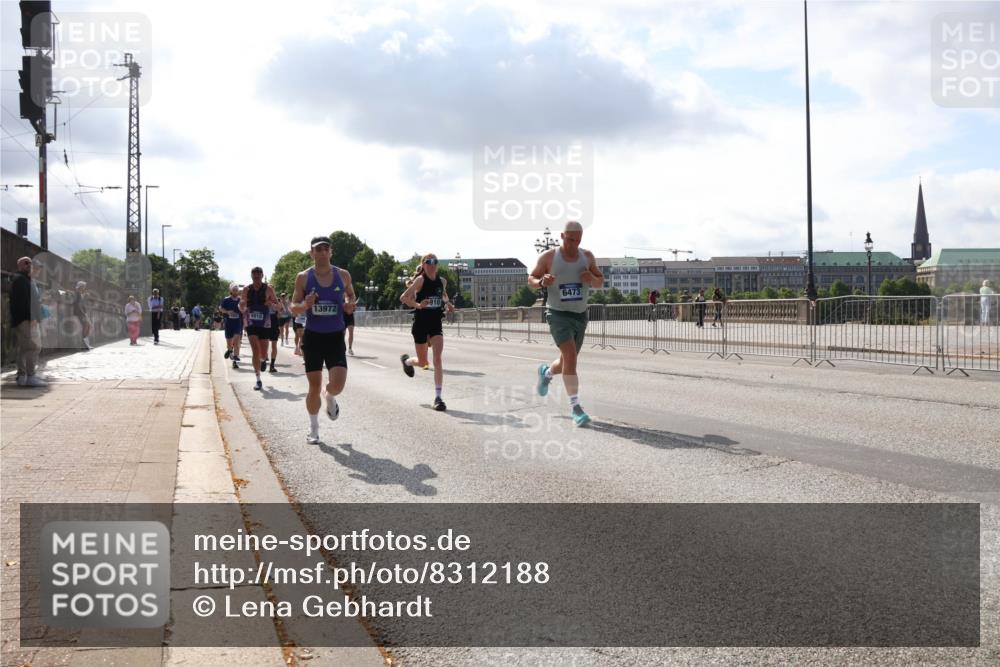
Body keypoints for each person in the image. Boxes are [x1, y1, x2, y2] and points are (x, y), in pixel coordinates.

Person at [529, 221, 603, 426]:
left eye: (577, 241)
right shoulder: (549, 257)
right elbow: (531, 279)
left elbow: (600, 281)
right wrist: (542, 282)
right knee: (570, 355)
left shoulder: (586, 256)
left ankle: (546, 373)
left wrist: (591, 278)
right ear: (562, 236)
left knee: (566, 361)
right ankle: (576, 408)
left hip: (580, 315)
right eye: (569, 240)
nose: (573, 244)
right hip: (557, 313)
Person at [290, 236, 356, 443]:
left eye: (326, 249)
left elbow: (351, 296)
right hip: (314, 338)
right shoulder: (303, 277)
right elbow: (293, 308)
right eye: (318, 249)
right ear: (312, 253)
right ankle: (314, 429)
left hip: (336, 336)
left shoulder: (343, 275)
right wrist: (305, 305)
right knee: (314, 386)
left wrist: (348, 304)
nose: (322, 252)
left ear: (331, 252)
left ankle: (330, 396)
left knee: (338, 385)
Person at [399, 253, 455, 411]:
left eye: (435, 261)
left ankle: (438, 398)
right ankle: (408, 362)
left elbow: (443, 295)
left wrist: (449, 304)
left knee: (437, 359)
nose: (432, 264)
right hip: (421, 324)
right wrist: (418, 305)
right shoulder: (420, 280)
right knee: (423, 363)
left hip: (436, 324)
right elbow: (404, 297)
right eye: (429, 261)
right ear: (423, 265)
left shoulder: (442, 281)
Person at [240, 267, 279, 391]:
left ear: (262, 276)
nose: (256, 278)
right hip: (251, 322)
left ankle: (263, 360)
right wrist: (242, 306)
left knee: (263, 352)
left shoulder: (268, 289)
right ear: (251, 276)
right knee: (255, 350)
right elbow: (241, 305)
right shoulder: (246, 289)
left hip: (264, 323)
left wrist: (271, 304)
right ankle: (258, 379)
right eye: (254, 276)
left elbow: (280, 307)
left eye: (258, 275)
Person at [11, 256, 46, 387]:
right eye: (25, 263)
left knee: (25, 348)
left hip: (27, 319)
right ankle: (29, 376)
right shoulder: (20, 279)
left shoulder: (25, 280)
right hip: (26, 319)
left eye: (29, 263)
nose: (28, 265)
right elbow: (22, 302)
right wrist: (31, 318)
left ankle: (23, 376)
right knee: (32, 347)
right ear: (20, 265)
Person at [221, 284, 243, 368]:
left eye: (236, 290)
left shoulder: (240, 300)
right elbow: (221, 308)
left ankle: (235, 360)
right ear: (231, 291)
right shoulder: (226, 300)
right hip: (228, 323)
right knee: (229, 343)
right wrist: (227, 312)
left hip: (237, 322)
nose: (235, 291)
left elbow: (244, 309)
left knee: (236, 341)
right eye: (234, 290)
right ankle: (230, 350)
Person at [73, 281, 93, 350]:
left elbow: (82, 303)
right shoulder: (77, 293)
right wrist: (82, 312)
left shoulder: (80, 294)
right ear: (80, 287)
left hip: (83, 312)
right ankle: (84, 343)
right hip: (80, 313)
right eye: (83, 286)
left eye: (84, 286)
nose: (84, 288)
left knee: (89, 326)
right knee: (86, 325)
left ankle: (86, 343)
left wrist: (84, 297)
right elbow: (77, 303)